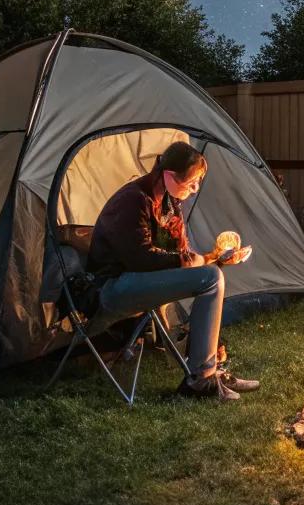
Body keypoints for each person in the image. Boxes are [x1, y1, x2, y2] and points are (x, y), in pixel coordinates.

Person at [86, 139, 259, 401]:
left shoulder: (168, 204)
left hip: (141, 284)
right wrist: (185, 262)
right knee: (211, 278)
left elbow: (182, 257)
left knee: (212, 276)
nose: (195, 189)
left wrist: (218, 258)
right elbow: (141, 259)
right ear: (169, 175)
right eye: (192, 182)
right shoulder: (132, 200)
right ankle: (202, 381)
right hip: (112, 289)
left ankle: (211, 372)